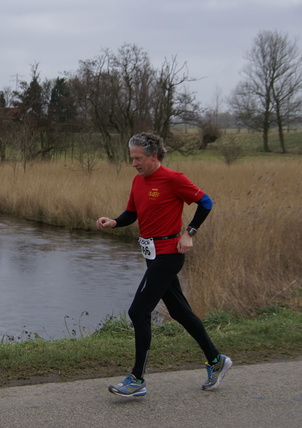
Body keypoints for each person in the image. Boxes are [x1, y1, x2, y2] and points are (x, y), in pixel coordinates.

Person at [96, 132, 231, 397]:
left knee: (138, 311)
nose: (134, 163)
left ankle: (137, 380)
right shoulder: (138, 181)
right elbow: (132, 213)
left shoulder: (173, 179)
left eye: (139, 158)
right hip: (152, 254)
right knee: (180, 312)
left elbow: (206, 202)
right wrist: (114, 221)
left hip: (169, 254)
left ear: (153, 156)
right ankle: (217, 361)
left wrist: (189, 233)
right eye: (132, 158)